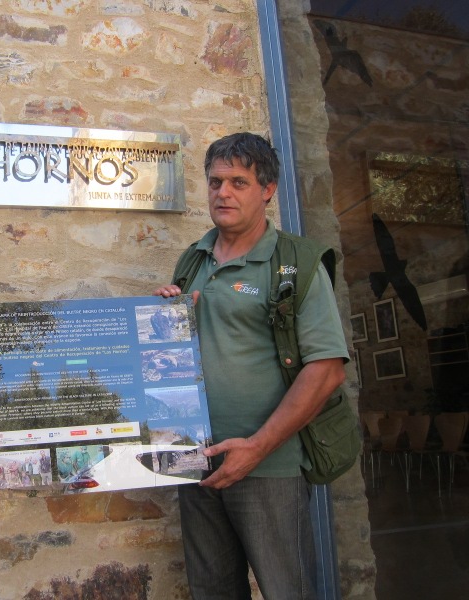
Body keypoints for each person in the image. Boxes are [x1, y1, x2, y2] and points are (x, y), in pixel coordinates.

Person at [153, 132, 348, 600]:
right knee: (212, 590)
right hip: (195, 458)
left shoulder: (295, 264)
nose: (223, 193)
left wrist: (257, 448)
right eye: (215, 181)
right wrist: (167, 320)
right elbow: (179, 356)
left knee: (287, 590)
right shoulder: (193, 260)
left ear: (267, 190)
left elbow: (327, 368)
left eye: (239, 182)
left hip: (268, 465)